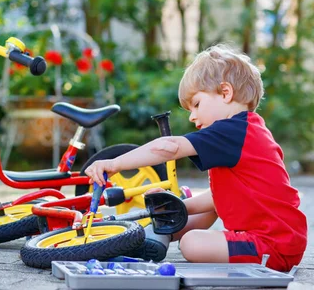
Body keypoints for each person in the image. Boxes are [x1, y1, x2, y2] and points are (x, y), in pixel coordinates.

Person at [85, 44, 307, 272]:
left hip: (273, 244)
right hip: (279, 237)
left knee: (191, 244)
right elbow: (219, 198)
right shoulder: (246, 132)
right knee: (202, 217)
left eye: (197, 104)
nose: (192, 116)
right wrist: (177, 206)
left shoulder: (233, 131)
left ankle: (152, 236)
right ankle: (157, 234)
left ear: (225, 93)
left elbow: (169, 147)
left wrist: (115, 163)